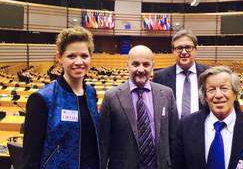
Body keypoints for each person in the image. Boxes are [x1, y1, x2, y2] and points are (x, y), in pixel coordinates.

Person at [23, 26, 101, 169]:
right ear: (59, 57)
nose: (78, 62)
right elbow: (30, 158)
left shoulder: (91, 94)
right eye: (71, 56)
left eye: (84, 56)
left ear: (91, 57)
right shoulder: (41, 99)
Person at [174, 66, 243, 169]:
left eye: (224, 88)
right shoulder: (185, 127)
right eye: (211, 90)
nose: (218, 95)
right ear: (205, 97)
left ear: (235, 93)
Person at [100, 45, 178, 169]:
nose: (141, 69)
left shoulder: (167, 94)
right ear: (127, 65)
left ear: (152, 67)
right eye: (135, 64)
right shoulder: (111, 97)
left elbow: (173, 138)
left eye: (146, 64)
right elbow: (103, 142)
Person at [153, 29, 208, 118]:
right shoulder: (160, 77)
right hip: (173, 130)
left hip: (202, 129)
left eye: (188, 47)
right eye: (179, 48)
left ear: (195, 49)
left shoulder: (208, 74)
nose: (184, 52)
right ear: (173, 51)